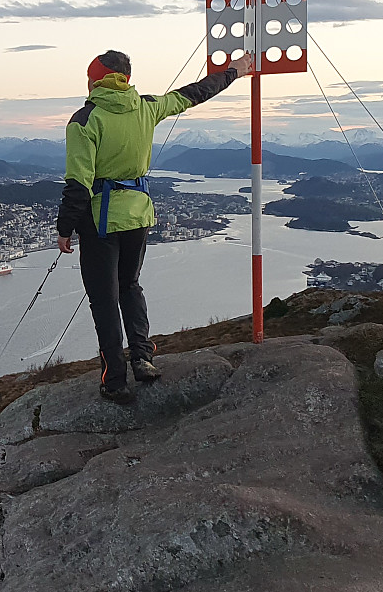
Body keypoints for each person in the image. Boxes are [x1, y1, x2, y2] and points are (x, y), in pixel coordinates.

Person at [56, 50, 245, 404]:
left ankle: (114, 380)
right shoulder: (146, 106)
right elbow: (194, 93)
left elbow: (79, 184)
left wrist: (65, 228)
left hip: (101, 222)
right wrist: (235, 71)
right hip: (139, 216)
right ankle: (142, 358)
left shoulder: (84, 120)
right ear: (125, 78)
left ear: (94, 79)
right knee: (130, 286)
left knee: (104, 299)